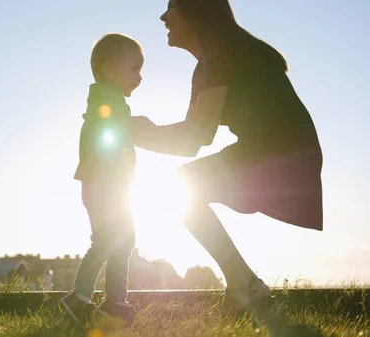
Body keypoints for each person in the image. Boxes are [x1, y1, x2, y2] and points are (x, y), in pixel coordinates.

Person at [131, 0, 324, 319]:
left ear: (196, 10)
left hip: (279, 155)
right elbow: (195, 139)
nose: (163, 16)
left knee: (187, 184)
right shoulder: (212, 58)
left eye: (172, 7)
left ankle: (244, 285)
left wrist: (135, 131)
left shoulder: (218, 54)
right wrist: (139, 131)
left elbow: (193, 138)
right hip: (282, 152)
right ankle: (243, 285)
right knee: (187, 184)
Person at [59, 33, 143, 324]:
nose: (139, 76)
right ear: (108, 69)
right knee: (109, 242)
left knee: (118, 240)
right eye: (134, 68)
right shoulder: (108, 104)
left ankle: (114, 302)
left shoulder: (107, 101)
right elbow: (108, 139)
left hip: (107, 185)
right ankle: (82, 298)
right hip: (106, 186)